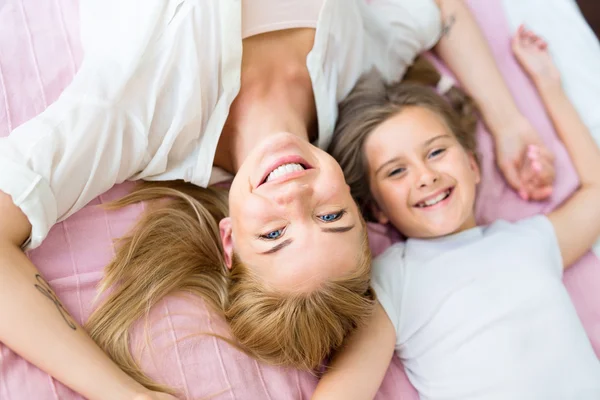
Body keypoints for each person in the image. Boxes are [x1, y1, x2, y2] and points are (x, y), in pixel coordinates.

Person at [0, 0, 554, 398]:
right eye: (332, 216)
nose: (295, 197)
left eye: (274, 236)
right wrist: (507, 123)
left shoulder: (137, 116)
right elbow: (442, 11)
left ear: (228, 242)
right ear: (362, 210)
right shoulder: (358, 69)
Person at [314, 26, 600, 399]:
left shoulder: (529, 240)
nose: (426, 176)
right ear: (376, 209)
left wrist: (549, 86)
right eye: (396, 171)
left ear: (472, 165)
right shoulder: (393, 278)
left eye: (435, 152)